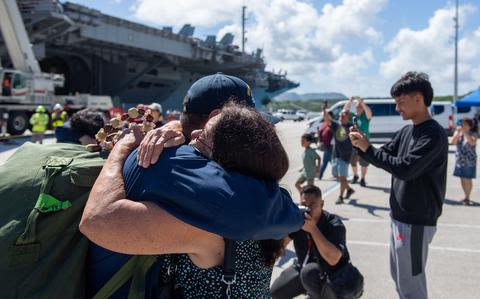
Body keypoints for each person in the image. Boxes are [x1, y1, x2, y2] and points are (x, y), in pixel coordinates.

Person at [80, 74, 304, 297]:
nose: (196, 137)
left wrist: (122, 147)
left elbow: (97, 221)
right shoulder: (267, 192)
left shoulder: (205, 216)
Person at [349, 71, 448, 299]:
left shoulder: (433, 135)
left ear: (418, 98)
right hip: (400, 218)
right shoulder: (407, 131)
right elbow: (383, 156)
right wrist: (360, 145)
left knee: (411, 288)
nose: (397, 108)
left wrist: (368, 149)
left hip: (415, 222)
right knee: (401, 281)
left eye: (400, 102)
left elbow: (405, 168)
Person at [271, 185, 363, 299]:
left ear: (322, 204)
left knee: (309, 272)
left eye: (312, 204)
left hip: (332, 275)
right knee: (276, 292)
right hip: (304, 269)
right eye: (304, 205)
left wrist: (313, 230)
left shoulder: (333, 224)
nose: (308, 209)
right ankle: (311, 290)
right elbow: (281, 244)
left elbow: (333, 259)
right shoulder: (299, 220)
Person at [323, 104, 355, 204]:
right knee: (337, 176)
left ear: (347, 117)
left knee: (342, 177)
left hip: (345, 155)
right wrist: (324, 110)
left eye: (343, 115)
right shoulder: (337, 125)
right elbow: (328, 120)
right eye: (340, 114)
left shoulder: (351, 127)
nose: (341, 116)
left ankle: (340, 197)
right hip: (336, 154)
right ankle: (349, 189)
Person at [344, 97, 372, 186]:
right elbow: (345, 110)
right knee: (353, 162)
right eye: (356, 107)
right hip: (354, 143)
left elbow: (369, 112)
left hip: (364, 142)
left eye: (359, 107)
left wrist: (362, 103)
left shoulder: (365, 116)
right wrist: (350, 101)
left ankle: (363, 179)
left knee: (364, 163)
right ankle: (356, 175)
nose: (358, 108)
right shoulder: (353, 116)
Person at [451, 118, 477, 205]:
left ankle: (468, 197)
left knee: (468, 178)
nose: (464, 126)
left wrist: (465, 132)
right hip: (460, 160)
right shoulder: (458, 133)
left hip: (469, 160)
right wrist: (458, 133)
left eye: (466, 125)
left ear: (470, 126)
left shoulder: (473, 133)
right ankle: (465, 196)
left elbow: (472, 142)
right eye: (463, 125)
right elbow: (453, 142)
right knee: (462, 178)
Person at [318, 110, 333, 179]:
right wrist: (320, 141)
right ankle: (320, 174)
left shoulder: (332, 124)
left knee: (327, 161)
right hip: (326, 146)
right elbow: (320, 133)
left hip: (331, 146)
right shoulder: (324, 124)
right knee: (329, 161)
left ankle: (320, 174)